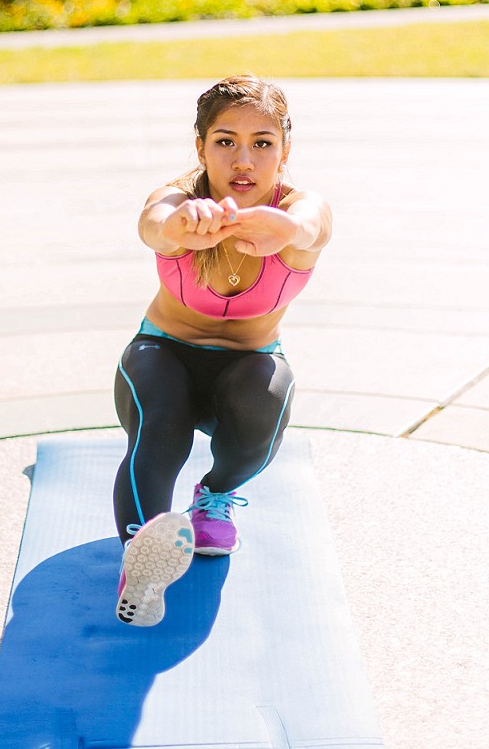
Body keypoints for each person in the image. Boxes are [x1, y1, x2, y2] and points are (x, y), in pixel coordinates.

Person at [113, 75, 332, 626]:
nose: (243, 158)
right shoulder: (177, 200)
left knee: (267, 394)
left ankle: (215, 493)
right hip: (162, 354)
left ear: (284, 151)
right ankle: (142, 554)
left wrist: (285, 229)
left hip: (247, 366)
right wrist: (179, 226)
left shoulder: (299, 207)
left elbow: (313, 227)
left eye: (262, 142)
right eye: (225, 140)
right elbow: (152, 225)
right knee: (163, 418)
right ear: (201, 148)